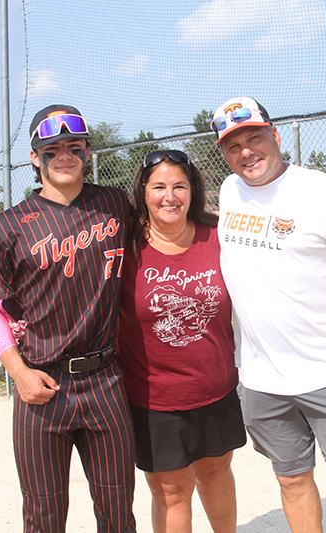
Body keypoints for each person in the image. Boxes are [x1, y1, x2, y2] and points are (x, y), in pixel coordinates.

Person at [211, 97, 326, 533]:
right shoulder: (229, 191)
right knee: (290, 479)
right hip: (260, 378)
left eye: (254, 138)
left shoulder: (321, 191)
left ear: (275, 134)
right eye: (233, 146)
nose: (246, 152)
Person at [0, 104, 136, 532]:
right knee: (43, 515)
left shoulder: (114, 204)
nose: (65, 156)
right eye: (52, 149)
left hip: (105, 381)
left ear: (86, 151)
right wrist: (18, 372)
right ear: (34, 157)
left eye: (74, 147)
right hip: (41, 384)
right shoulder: (7, 226)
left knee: (118, 512)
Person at [117, 149, 246, 532]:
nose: (169, 196)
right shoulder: (125, 247)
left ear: (193, 191)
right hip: (155, 397)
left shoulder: (218, 235)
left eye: (179, 186)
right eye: (158, 187)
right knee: (172, 490)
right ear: (143, 192)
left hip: (215, 387)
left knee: (217, 471)